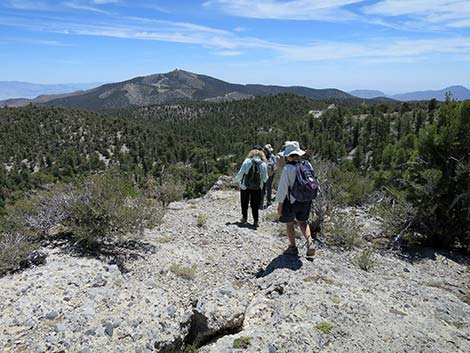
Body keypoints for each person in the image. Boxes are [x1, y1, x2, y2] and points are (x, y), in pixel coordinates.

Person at [275, 141, 316, 256]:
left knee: (289, 223)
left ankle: (293, 247)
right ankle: (310, 242)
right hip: (306, 199)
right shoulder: (307, 164)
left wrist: (280, 205)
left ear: (288, 155)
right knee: (303, 221)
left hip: (292, 201)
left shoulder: (287, 168)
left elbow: (282, 188)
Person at [235, 148, 268, 228]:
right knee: (255, 205)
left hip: (245, 186)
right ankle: (255, 221)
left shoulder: (247, 161)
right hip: (257, 188)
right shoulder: (263, 164)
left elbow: (240, 173)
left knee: (244, 202)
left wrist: (238, 180)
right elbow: (265, 179)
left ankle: (244, 218)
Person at [260, 144, 278, 209]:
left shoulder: (262, 156)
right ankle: (268, 201)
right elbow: (275, 166)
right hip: (270, 175)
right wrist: (273, 173)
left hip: (263, 175)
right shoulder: (273, 157)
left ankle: (261, 202)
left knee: (262, 188)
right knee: (269, 188)